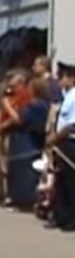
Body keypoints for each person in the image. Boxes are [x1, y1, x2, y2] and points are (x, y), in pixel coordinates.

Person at [0, 73, 49, 210]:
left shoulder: (36, 106)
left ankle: (25, 200)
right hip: (21, 138)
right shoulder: (37, 105)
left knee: (25, 172)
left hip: (28, 141)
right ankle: (16, 198)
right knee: (15, 169)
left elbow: (19, 119)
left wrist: (6, 105)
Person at [47, 62, 75, 230]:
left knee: (71, 182)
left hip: (71, 142)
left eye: (62, 77)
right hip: (62, 143)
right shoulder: (67, 96)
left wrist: (55, 138)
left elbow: (72, 124)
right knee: (61, 180)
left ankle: (72, 218)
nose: (59, 81)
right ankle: (61, 216)